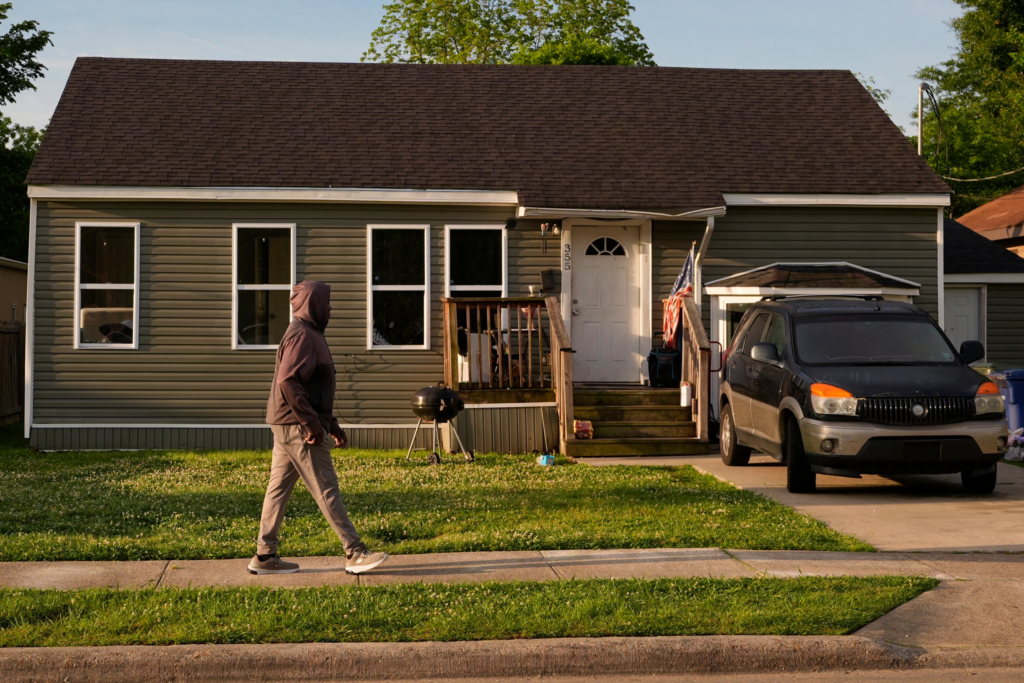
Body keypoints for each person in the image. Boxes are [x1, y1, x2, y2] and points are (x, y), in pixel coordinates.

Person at [248, 280, 389, 576]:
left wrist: (331, 424)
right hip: (298, 426)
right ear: (313, 305)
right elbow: (289, 381)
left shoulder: (308, 333)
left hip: (288, 423)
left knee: (278, 490)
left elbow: (314, 388)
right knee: (326, 488)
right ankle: (355, 552)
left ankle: (264, 555)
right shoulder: (303, 335)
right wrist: (312, 425)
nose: (330, 309)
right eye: (326, 304)